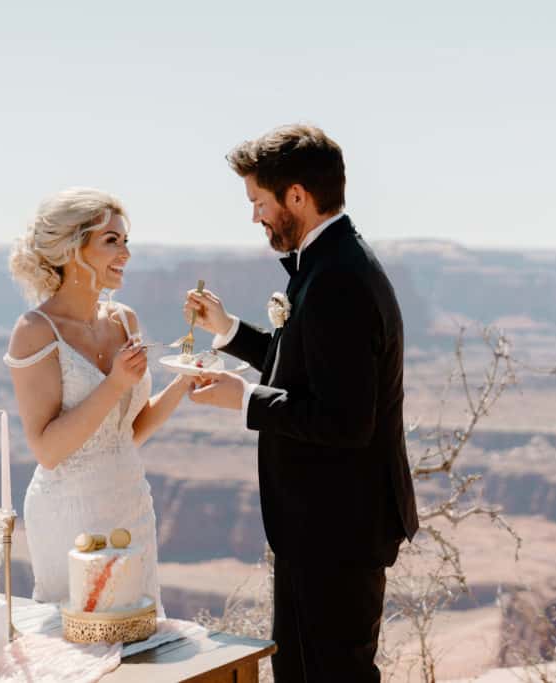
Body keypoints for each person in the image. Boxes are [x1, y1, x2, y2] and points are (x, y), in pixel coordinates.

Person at [184, 124, 419, 681]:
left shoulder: (339, 278)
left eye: (259, 202)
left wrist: (244, 400)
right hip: (316, 527)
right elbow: (307, 370)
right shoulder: (326, 263)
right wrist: (230, 331)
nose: (255, 217)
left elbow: (344, 420)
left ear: (297, 196)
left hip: (338, 530)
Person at [4, 187, 188, 611]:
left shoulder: (125, 320)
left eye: (126, 241)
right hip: (70, 511)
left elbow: (129, 431)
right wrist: (115, 384)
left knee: (139, 632)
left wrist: (182, 384)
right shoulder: (35, 330)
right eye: (111, 241)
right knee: (83, 641)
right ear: (72, 248)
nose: (125, 252)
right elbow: (47, 450)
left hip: (131, 504)